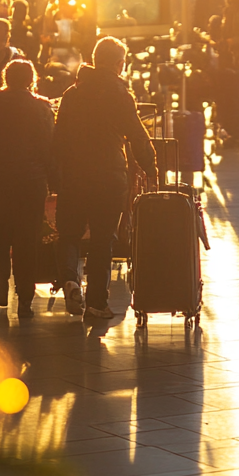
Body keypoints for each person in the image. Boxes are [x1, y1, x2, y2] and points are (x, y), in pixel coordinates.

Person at [53, 38, 159, 319]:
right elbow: (137, 134)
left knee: (69, 234)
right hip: (109, 176)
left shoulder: (71, 94)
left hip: (74, 175)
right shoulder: (119, 94)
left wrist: (56, 175)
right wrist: (151, 168)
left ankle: (69, 279)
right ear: (118, 64)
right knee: (102, 240)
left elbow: (58, 138)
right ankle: (96, 303)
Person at [0, 60, 54, 319]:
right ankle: (26, 297)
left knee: (2, 234)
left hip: (0, 181)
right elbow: (50, 148)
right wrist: (52, 182)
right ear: (31, 79)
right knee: (27, 240)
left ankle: (2, 288)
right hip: (32, 182)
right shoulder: (42, 107)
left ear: (5, 78)